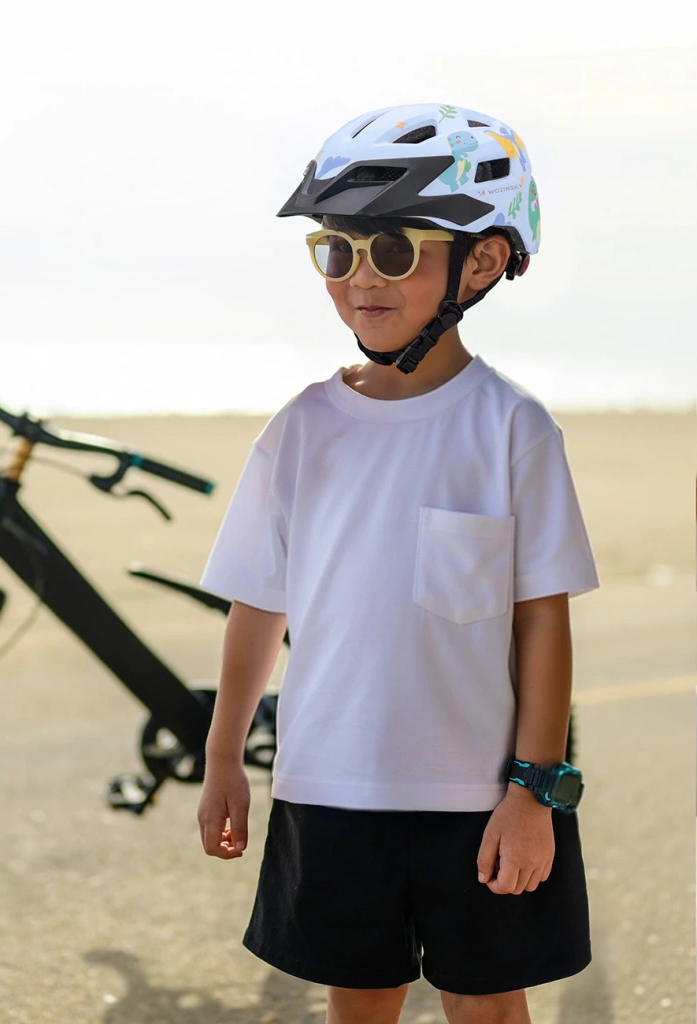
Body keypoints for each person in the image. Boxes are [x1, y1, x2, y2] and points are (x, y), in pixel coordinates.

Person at [195, 103, 599, 1024]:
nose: (360, 279)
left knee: (487, 1009)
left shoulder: (512, 429)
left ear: (481, 263)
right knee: (360, 1004)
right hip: (328, 787)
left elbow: (543, 622)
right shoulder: (304, 428)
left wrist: (534, 792)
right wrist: (224, 758)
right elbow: (257, 604)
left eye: (392, 249)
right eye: (337, 251)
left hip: (480, 796)